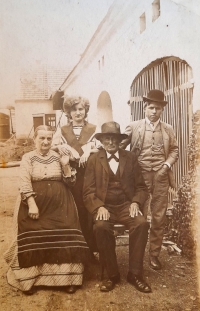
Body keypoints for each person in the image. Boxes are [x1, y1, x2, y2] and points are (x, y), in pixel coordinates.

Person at [4, 125, 89, 295]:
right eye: (41, 138)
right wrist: (31, 203)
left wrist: (65, 166)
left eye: (49, 138)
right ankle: (30, 280)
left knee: (67, 230)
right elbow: (24, 182)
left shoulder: (59, 157)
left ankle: (69, 278)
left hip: (60, 204)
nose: (45, 141)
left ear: (53, 139)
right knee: (32, 231)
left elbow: (70, 183)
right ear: (34, 139)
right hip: (34, 203)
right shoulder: (28, 158)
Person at [83, 121, 151, 293]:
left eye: (114, 139)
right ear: (102, 141)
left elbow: (142, 187)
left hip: (126, 206)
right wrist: (98, 207)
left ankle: (135, 274)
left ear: (120, 141)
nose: (111, 143)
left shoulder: (130, 158)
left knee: (141, 224)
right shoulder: (93, 160)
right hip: (105, 207)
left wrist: (135, 202)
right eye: (107, 139)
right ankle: (111, 275)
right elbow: (88, 191)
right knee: (100, 227)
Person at [120, 89, 179, 270]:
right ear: (145, 108)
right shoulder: (134, 127)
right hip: (140, 178)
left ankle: (154, 255)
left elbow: (174, 150)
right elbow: (119, 147)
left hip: (161, 177)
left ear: (162, 110)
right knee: (139, 217)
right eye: (151, 108)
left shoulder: (168, 129)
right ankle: (136, 257)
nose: (154, 112)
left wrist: (166, 166)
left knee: (159, 217)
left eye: (158, 109)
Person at [52, 96, 98, 260]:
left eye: (81, 109)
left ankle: (90, 249)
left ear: (85, 110)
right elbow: (51, 148)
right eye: (74, 110)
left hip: (90, 175)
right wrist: (60, 146)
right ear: (68, 112)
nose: (78, 113)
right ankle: (75, 251)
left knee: (88, 211)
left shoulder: (93, 129)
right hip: (70, 176)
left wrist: (90, 150)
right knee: (73, 211)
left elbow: (102, 148)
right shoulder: (62, 130)